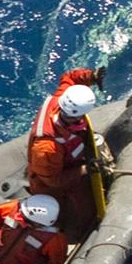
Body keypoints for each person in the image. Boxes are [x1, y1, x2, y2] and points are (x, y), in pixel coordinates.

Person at [28, 66, 104, 238]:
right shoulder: (47, 148)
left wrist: (91, 76)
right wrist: (84, 170)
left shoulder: (59, 101)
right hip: (49, 183)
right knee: (77, 211)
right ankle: (73, 236)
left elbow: (70, 78)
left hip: (65, 163)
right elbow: (53, 180)